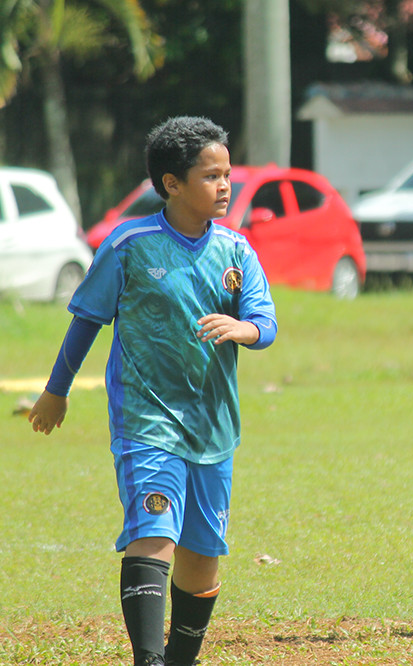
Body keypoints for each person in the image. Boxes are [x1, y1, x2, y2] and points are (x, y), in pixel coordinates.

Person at [27, 116, 277, 666]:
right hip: (146, 423)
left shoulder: (236, 250)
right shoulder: (130, 243)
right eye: (211, 176)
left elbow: (266, 320)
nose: (225, 185)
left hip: (214, 428)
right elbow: (87, 319)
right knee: (154, 530)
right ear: (171, 183)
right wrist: (56, 390)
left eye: (227, 174)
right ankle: (149, 659)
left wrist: (246, 329)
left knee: (202, 558)